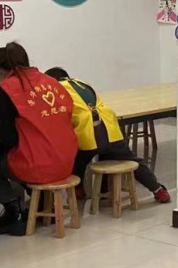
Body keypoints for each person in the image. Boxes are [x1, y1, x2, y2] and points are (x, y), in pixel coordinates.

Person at [0, 43, 78, 235]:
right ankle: (41, 202)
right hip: (67, 160)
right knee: (27, 152)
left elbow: (9, 139)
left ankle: (13, 212)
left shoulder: (6, 89)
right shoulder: (51, 81)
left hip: (40, 165)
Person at [44, 68, 170, 204]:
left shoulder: (57, 90)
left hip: (88, 134)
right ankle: (158, 190)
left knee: (76, 161)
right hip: (110, 128)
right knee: (131, 160)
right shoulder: (81, 83)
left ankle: (79, 190)